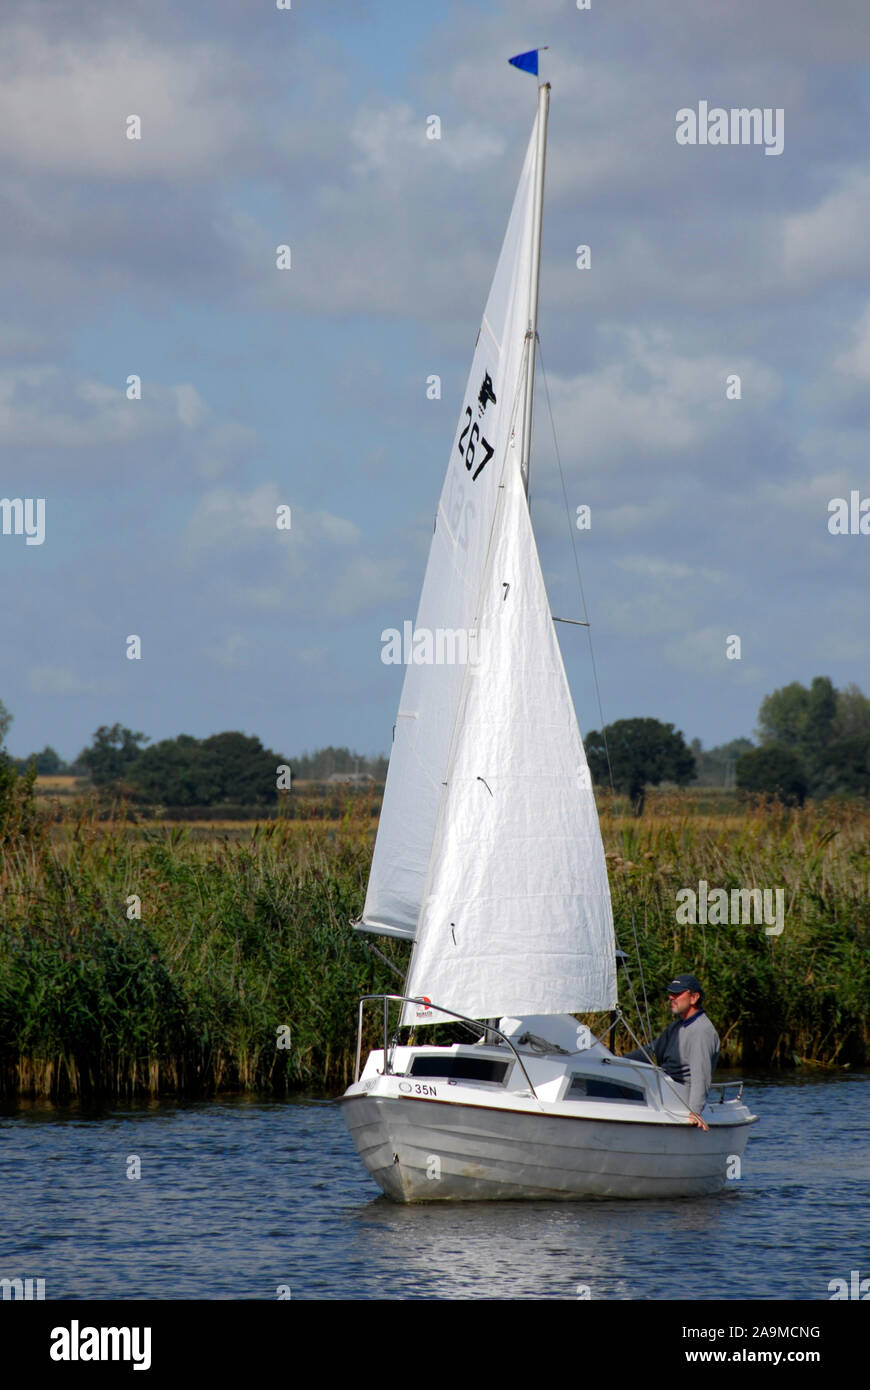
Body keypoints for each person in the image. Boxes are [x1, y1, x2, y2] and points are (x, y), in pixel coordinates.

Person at [624, 974, 719, 1130]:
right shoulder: (677, 1026)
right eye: (670, 993)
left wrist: (695, 1111)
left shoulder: (701, 1031)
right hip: (662, 1090)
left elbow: (700, 1075)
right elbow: (651, 1052)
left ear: (694, 997)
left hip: (678, 1098)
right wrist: (615, 1061)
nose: (670, 997)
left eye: (677, 993)